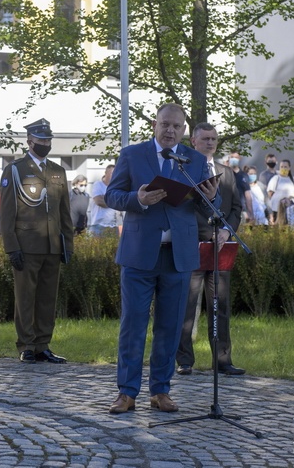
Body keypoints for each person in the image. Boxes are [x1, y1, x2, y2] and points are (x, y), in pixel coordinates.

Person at [104, 103, 219, 415]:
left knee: (170, 327)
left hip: (178, 257)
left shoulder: (194, 160)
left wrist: (211, 197)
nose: (170, 131)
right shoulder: (131, 155)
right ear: (155, 125)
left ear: (184, 131)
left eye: (176, 127)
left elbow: (209, 208)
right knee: (133, 325)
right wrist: (136, 199)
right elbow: (112, 195)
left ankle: (161, 391)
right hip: (139, 255)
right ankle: (127, 392)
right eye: (165, 125)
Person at [0, 118, 74, 365]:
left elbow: (64, 212)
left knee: (47, 298)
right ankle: (26, 345)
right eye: (41, 140)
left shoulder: (57, 171)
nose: (45, 144)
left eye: (48, 140)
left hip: (52, 245)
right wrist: (11, 247)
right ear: (29, 141)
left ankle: (43, 344)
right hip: (27, 245)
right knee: (25, 297)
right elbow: (7, 213)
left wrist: (68, 245)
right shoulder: (15, 170)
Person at [176, 123, 244, 378]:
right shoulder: (184, 171)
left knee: (220, 305)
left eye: (214, 138)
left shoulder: (226, 172)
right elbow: (181, 209)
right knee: (187, 306)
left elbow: (236, 208)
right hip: (192, 246)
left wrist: (227, 230)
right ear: (193, 141)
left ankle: (223, 360)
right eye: (205, 138)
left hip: (219, 247)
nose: (210, 142)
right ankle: (184, 360)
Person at [266, 160, 294, 227]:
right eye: (282, 167)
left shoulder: (292, 179)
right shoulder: (276, 178)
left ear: (289, 168)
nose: (283, 168)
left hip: (289, 210)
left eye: (285, 167)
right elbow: (270, 194)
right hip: (277, 210)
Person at [88, 165, 119, 237]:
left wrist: (105, 198)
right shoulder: (98, 185)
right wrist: (115, 201)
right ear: (106, 173)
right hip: (99, 225)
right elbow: (99, 201)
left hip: (113, 225)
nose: (115, 175)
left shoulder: (116, 187)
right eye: (112, 173)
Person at [227, 152, 253, 223]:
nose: (233, 159)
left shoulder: (244, 175)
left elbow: (247, 195)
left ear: (239, 159)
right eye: (232, 157)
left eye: (236, 157)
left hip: (241, 211)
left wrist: (250, 212)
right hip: (226, 210)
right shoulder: (225, 173)